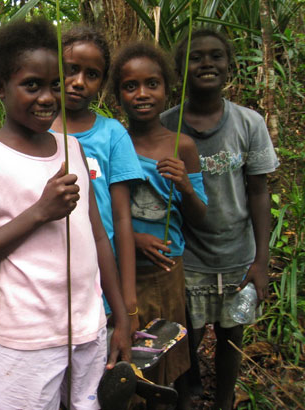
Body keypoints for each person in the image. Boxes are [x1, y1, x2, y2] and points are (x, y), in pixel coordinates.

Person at [0, 18, 131, 410]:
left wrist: (120, 316)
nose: (47, 97)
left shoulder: (72, 148)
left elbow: (98, 237)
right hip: (27, 340)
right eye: (32, 85)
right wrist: (39, 212)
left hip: (88, 329)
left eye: (54, 84)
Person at [160, 29, 279, 410]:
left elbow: (259, 193)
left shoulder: (248, 124)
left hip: (237, 257)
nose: (207, 64)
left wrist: (261, 261)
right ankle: (184, 397)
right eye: (196, 57)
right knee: (185, 340)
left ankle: (224, 400)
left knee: (231, 337)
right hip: (188, 258)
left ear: (229, 66)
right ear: (180, 70)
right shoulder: (165, 125)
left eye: (216, 56)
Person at [110, 42, 208, 409]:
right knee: (125, 361)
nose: (142, 94)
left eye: (152, 84)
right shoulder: (112, 141)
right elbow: (101, 212)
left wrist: (184, 184)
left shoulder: (182, 145)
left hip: (167, 273)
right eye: (130, 86)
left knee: (165, 362)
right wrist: (133, 238)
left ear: (167, 88)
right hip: (122, 273)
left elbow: (201, 217)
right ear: (118, 94)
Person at [50, 26, 144, 333]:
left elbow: (121, 217)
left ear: (102, 83)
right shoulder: (35, 131)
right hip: (46, 281)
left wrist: (128, 300)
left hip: (100, 281)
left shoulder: (112, 134)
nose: (79, 82)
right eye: (71, 70)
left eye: (92, 75)